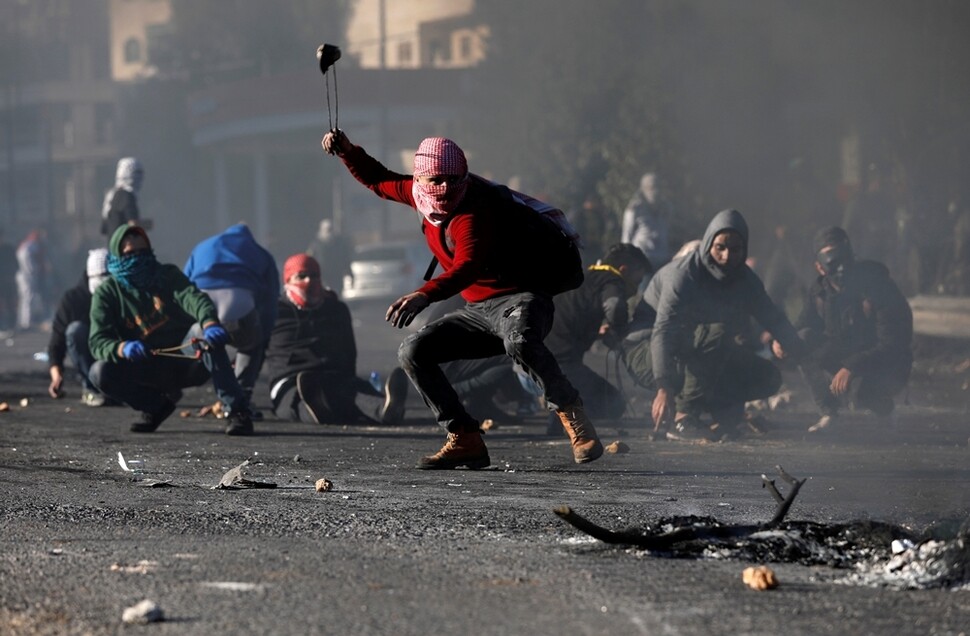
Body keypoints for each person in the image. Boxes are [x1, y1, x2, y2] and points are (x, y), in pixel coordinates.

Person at [322, 130, 603, 469]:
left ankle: (572, 413)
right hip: (478, 310)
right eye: (435, 180)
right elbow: (379, 180)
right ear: (420, 178)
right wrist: (348, 151)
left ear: (464, 177)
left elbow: (467, 267)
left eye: (452, 180)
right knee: (412, 352)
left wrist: (423, 295)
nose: (443, 189)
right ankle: (464, 436)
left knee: (520, 341)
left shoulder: (474, 212)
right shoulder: (419, 193)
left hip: (522, 299)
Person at [622, 209, 804, 441]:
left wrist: (803, 352)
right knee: (718, 332)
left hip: (692, 351)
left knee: (766, 376)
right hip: (646, 351)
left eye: (735, 249)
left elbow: (773, 318)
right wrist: (664, 386)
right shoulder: (683, 276)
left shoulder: (744, 279)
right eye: (721, 247)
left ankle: (719, 411)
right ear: (709, 244)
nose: (728, 256)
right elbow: (663, 332)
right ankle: (683, 417)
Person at [88, 225, 254, 435]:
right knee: (99, 372)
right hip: (144, 365)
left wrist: (209, 323)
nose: (137, 258)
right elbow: (97, 341)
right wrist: (122, 348)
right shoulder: (107, 293)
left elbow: (193, 298)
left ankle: (238, 411)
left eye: (142, 252)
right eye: (130, 254)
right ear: (118, 256)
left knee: (201, 332)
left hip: (185, 359)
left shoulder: (166, 275)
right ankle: (155, 407)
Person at [784, 226, 913, 432]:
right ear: (820, 267)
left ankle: (883, 408)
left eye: (845, 258)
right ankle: (829, 412)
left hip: (885, 365)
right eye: (833, 262)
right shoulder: (819, 292)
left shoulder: (879, 287)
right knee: (802, 339)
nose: (842, 268)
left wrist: (852, 366)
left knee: (862, 394)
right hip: (845, 356)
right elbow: (803, 325)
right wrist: (781, 340)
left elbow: (894, 344)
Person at [264, 253, 391, 425]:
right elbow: (254, 350)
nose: (309, 281)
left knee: (355, 393)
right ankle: (316, 410)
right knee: (294, 401)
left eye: (314, 276)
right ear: (288, 280)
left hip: (332, 374)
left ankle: (385, 409)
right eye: (301, 276)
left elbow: (349, 350)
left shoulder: (336, 308)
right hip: (291, 378)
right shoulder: (273, 312)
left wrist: (349, 378)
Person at [545, 243, 652, 421]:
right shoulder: (611, 280)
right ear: (623, 270)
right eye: (638, 281)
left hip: (535, 363)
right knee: (613, 403)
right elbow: (614, 306)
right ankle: (566, 420)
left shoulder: (588, 277)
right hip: (559, 366)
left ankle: (561, 412)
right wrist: (620, 331)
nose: (637, 287)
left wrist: (597, 331)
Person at [184, 223, 280, 402]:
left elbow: (183, 286)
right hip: (239, 307)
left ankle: (175, 381)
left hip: (202, 309)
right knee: (251, 344)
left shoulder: (203, 246)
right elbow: (270, 302)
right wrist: (262, 335)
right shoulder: (260, 252)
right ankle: (242, 394)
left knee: (192, 342)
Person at [47, 248, 111, 406]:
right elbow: (57, 341)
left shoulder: (122, 294)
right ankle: (91, 388)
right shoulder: (73, 300)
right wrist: (56, 376)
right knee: (75, 330)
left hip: (116, 356)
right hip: (92, 359)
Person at [621, 172, 674, 270]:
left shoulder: (667, 208)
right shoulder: (635, 209)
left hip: (662, 258)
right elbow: (627, 235)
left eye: (658, 187)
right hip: (643, 259)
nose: (655, 191)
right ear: (643, 189)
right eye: (651, 187)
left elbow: (669, 232)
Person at [100, 157, 150, 236]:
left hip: (113, 245)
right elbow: (133, 224)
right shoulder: (127, 195)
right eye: (137, 174)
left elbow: (104, 229)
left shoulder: (111, 196)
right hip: (125, 246)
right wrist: (147, 224)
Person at [15, 228, 51, 331]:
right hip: (28, 275)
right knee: (28, 298)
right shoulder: (31, 246)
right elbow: (36, 259)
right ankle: (26, 322)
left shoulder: (25, 245)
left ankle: (23, 321)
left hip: (24, 275)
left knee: (25, 299)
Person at [306, 218, 354, 292]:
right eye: (327, 229)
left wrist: (349, 272)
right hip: (322, 276)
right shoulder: (316, 245)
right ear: (321, 230)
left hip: (337, 275)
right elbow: (309, 259)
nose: (329, 232)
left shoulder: (339, 245)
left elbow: (345, 259)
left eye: (331, 229)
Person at [0, 229, 17, 332]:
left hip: (8, 280)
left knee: (11, 303)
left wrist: (11, 275)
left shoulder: (8, 249)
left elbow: (15, 264)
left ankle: (12, 325)